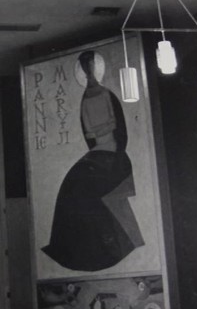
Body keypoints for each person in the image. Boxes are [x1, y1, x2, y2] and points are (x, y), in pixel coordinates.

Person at [42, 50, 144, 272]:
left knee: (88, 188)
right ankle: (80, 250)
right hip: (98, 152)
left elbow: (119, 128)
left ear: (95, 68)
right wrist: (98, 142)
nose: (88, 72)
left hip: (114, 153)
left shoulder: (108, 94)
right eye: (84, 67)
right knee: (71, 185)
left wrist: (111, 146)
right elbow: (88, 133)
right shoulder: (84, 99)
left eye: (90, 66)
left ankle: (110, 248)